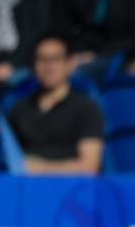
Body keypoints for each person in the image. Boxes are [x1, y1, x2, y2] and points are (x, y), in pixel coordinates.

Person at [7, 34, 104, 174]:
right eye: (42, 59)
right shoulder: (19, 109)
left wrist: (37, 168)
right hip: (27, 185)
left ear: (70, 63)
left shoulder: (87, 109)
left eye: (55, 59)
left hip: (71, 186)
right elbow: (6, 157)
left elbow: (89, 167)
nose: (48, 66)